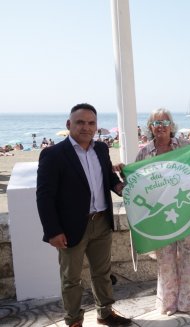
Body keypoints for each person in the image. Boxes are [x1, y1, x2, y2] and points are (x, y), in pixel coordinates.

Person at [36, 103, 131, 327]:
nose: (86, 127)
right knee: (71, 279)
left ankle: (105, 313)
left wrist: (121, 188)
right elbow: (44, 196)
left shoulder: (101, 149)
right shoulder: (53, 154)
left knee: (103, 273)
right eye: (80, 122)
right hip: (70, 228)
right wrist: (53, 231)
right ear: (69, 124)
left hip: (102, 222)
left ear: (96, 126)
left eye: (91, 123)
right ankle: (73, 320)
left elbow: (109, 179)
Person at [116, 108, 190, 316]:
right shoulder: (144, 153)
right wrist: (124, 171)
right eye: (156, 124)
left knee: (189, 256)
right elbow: (136, 183)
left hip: (186, 209)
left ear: (171, 125)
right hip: (160, 214)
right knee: (165, 259)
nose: (161, 127)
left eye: (165, 122)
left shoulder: (185, 146)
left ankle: (189, 302)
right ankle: (168, 303)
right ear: (150, 127)